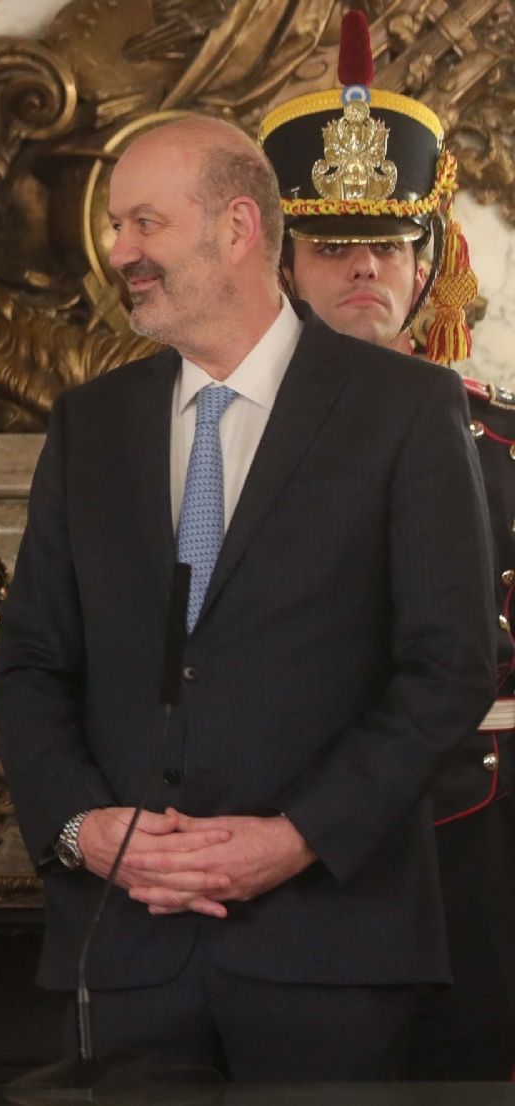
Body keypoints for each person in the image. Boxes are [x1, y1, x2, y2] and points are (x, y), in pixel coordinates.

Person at [0, 113, 497, 1080]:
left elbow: (449, 667)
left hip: (332, 950)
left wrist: (299, 838)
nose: (119, 252)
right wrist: (82, 829)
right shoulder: (91, 425)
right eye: (117, 228)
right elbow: (30, 666)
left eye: (144, 224)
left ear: (235, 228)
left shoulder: (402, 409)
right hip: (126, 951)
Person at [262, 10, 515, 1077]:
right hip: (272, 834)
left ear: (428, 262)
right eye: (331, 246)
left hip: (476, 847)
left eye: (390, 244)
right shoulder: (209, 435)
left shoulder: (503, 440)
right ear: (283, 263)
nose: (363, 265)